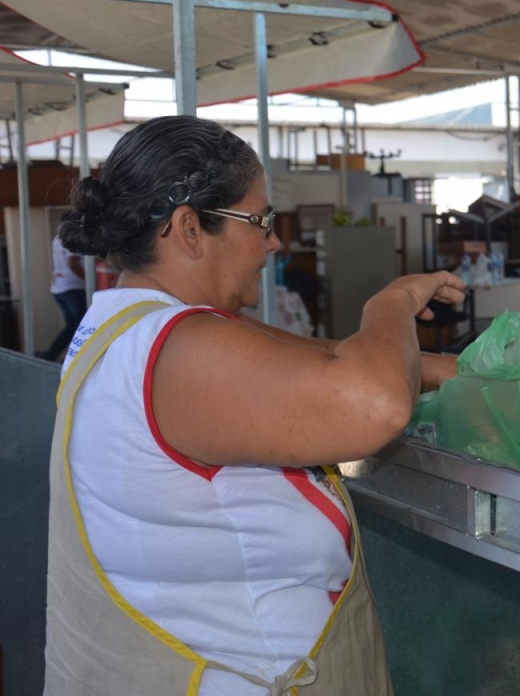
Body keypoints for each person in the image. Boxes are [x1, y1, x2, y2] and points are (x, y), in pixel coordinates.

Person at [45, 115, 465, 695]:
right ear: (189, 229)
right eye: (261, 220)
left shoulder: (128, 325)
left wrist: (450, 372)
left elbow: (300, 360)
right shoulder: (171, 350)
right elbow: (372, 404)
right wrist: (392, 301)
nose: (273, 240)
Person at [38, 218, 86, 361]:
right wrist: (91, 281)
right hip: (73, 287)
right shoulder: (73, 237)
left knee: (73, 326)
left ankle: (63, 356)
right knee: (79, 326)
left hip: (59, 287)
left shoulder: (57, 238)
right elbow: (73, 263)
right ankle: (53, 355)